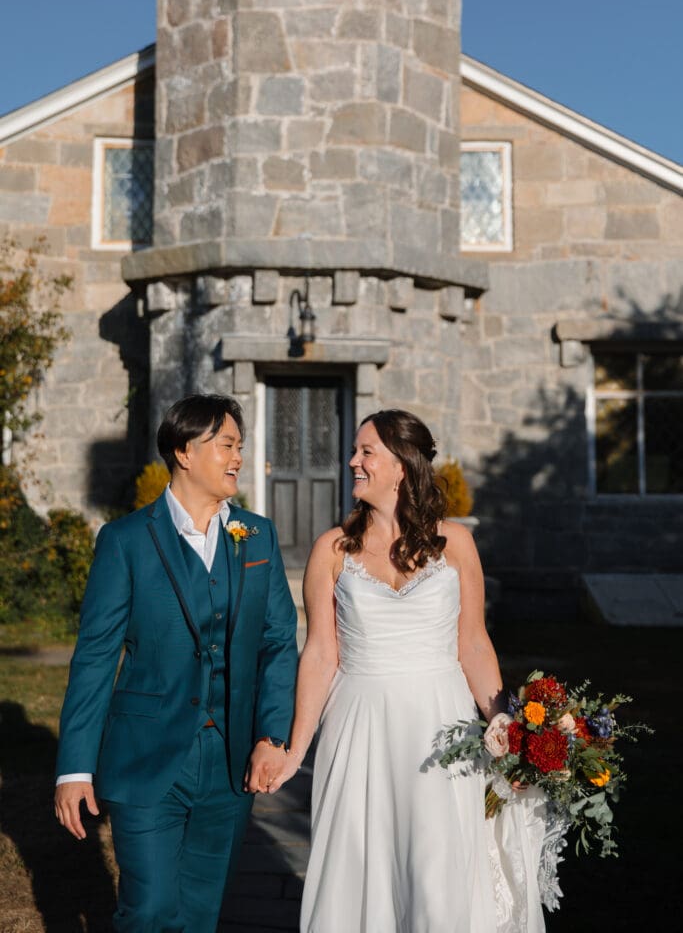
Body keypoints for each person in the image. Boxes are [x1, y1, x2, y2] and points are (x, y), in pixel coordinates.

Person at [268, 408, 545, 932]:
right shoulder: (331, 551)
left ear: (402, 466)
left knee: (438, 864)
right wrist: (294, 752)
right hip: (359, 726)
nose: (353, 462)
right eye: (356, 451)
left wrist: (502, 722)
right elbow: (322, 653)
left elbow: (473, 643)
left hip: (440, 724)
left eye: (366, 452)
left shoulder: (456, 543)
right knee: (359, 861)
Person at [54, 394, 298, 932]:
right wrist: (75, 767)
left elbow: (279, 642)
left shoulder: (256, 536)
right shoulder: (125, 541)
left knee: (200, 913)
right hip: (145, 757)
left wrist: (271, 735)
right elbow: (95, 657)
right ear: (185, 452)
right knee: (148, 909)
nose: (238, 457)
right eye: (227, 445)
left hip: (230, 760)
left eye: (239, 445)